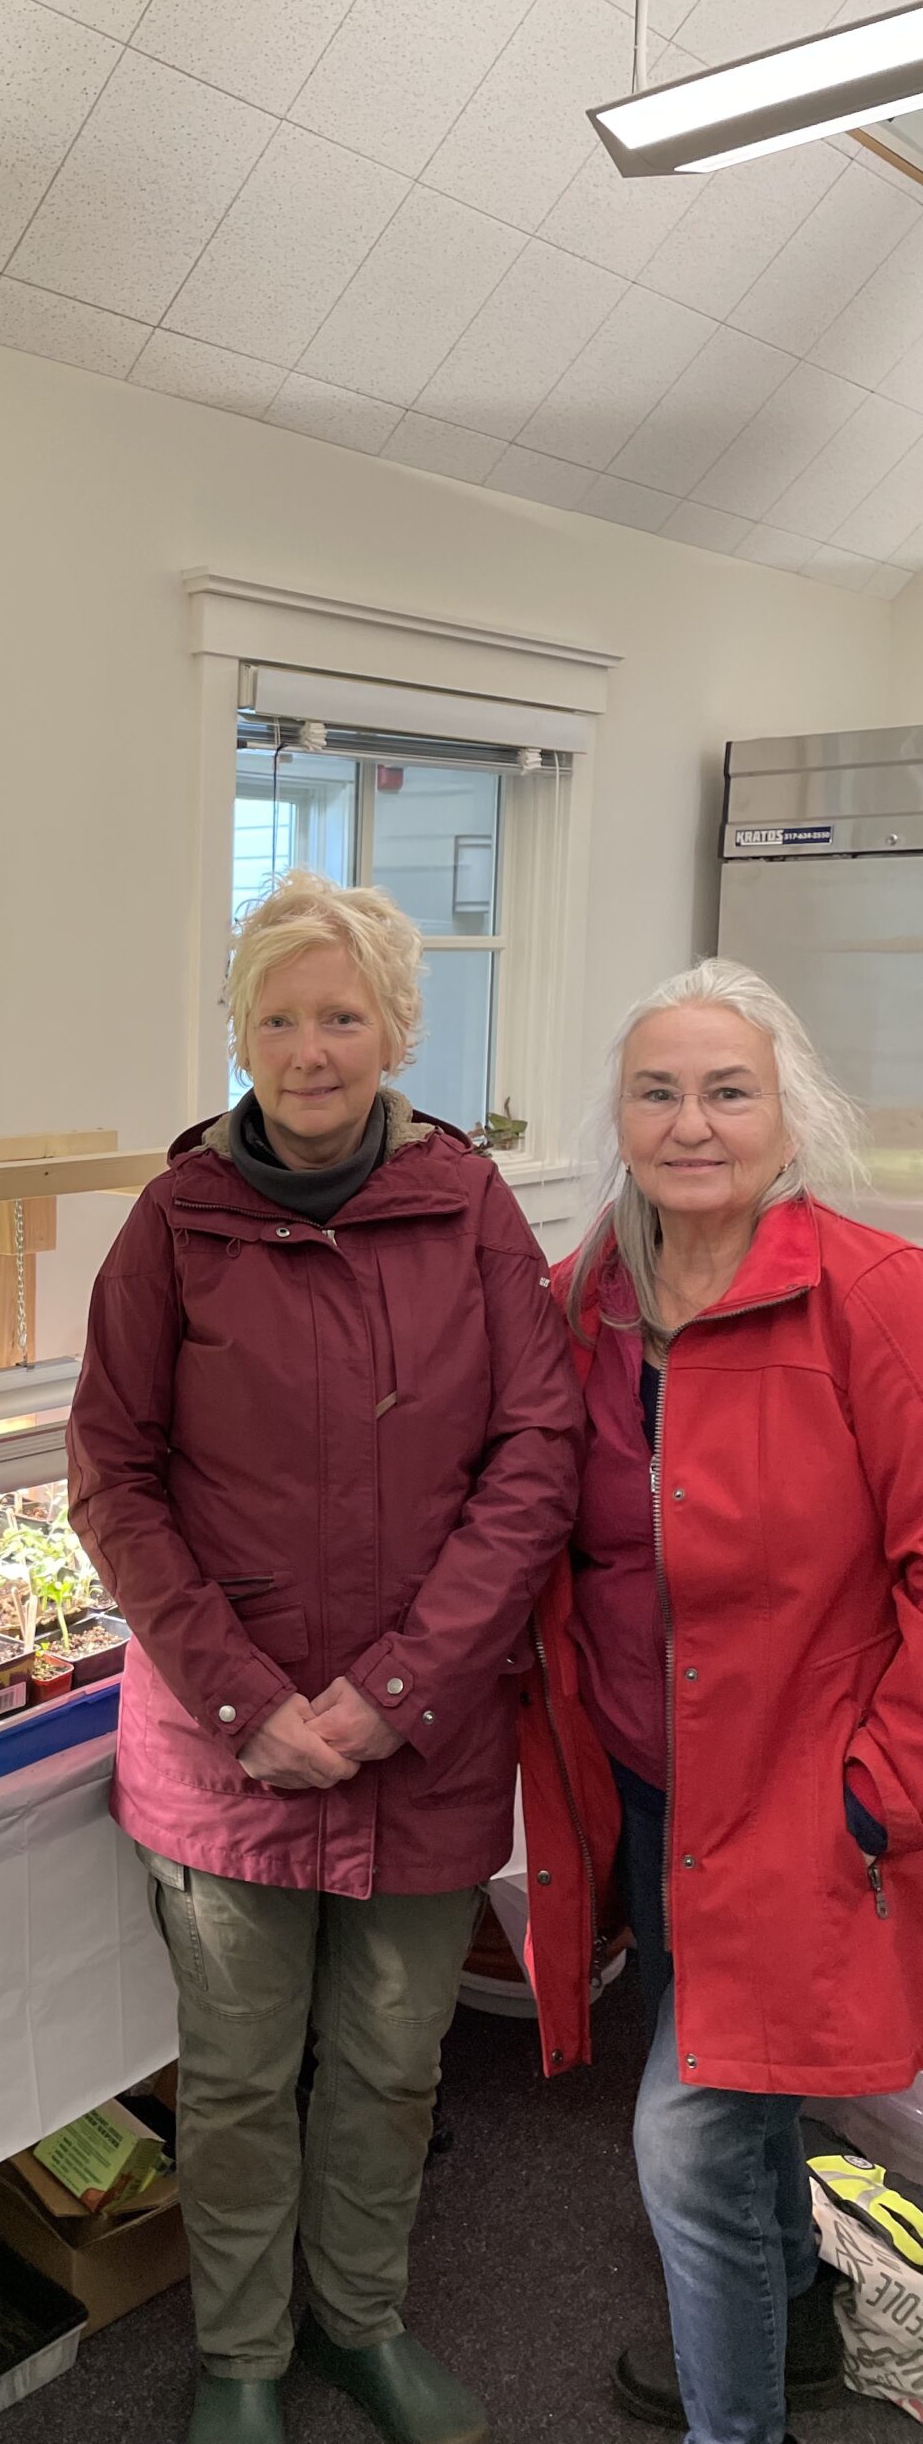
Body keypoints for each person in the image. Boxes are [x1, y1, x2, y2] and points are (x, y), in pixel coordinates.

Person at [68, 871, 581, 2444]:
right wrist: (250, 1703)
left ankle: (358, 2322)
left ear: (394, 1031)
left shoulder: (470, 1207)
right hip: (229, 1750)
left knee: (389, 2065)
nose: (310, 1047)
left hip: (421, 1742)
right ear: (240, 1035)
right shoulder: (173, 1225)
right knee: (231, 2080)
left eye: (341, 1014)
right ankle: (239, 2356)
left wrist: (393, 1694)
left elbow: (536, 1455)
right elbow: (111, 1476)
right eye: (278, 1017)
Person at [521, 959, 923, 2444]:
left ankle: (733, 2428)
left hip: (805, 1802)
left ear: (787, 1116)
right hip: (643, 1783)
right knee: (740, 2092)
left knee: (682, 2137)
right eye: (658, 1091)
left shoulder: (877, 1304)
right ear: (618, 1119)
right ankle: (794, 2320)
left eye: (727, 1090)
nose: (693, 1124)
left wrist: (881, 1786)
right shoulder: (581, 1303)